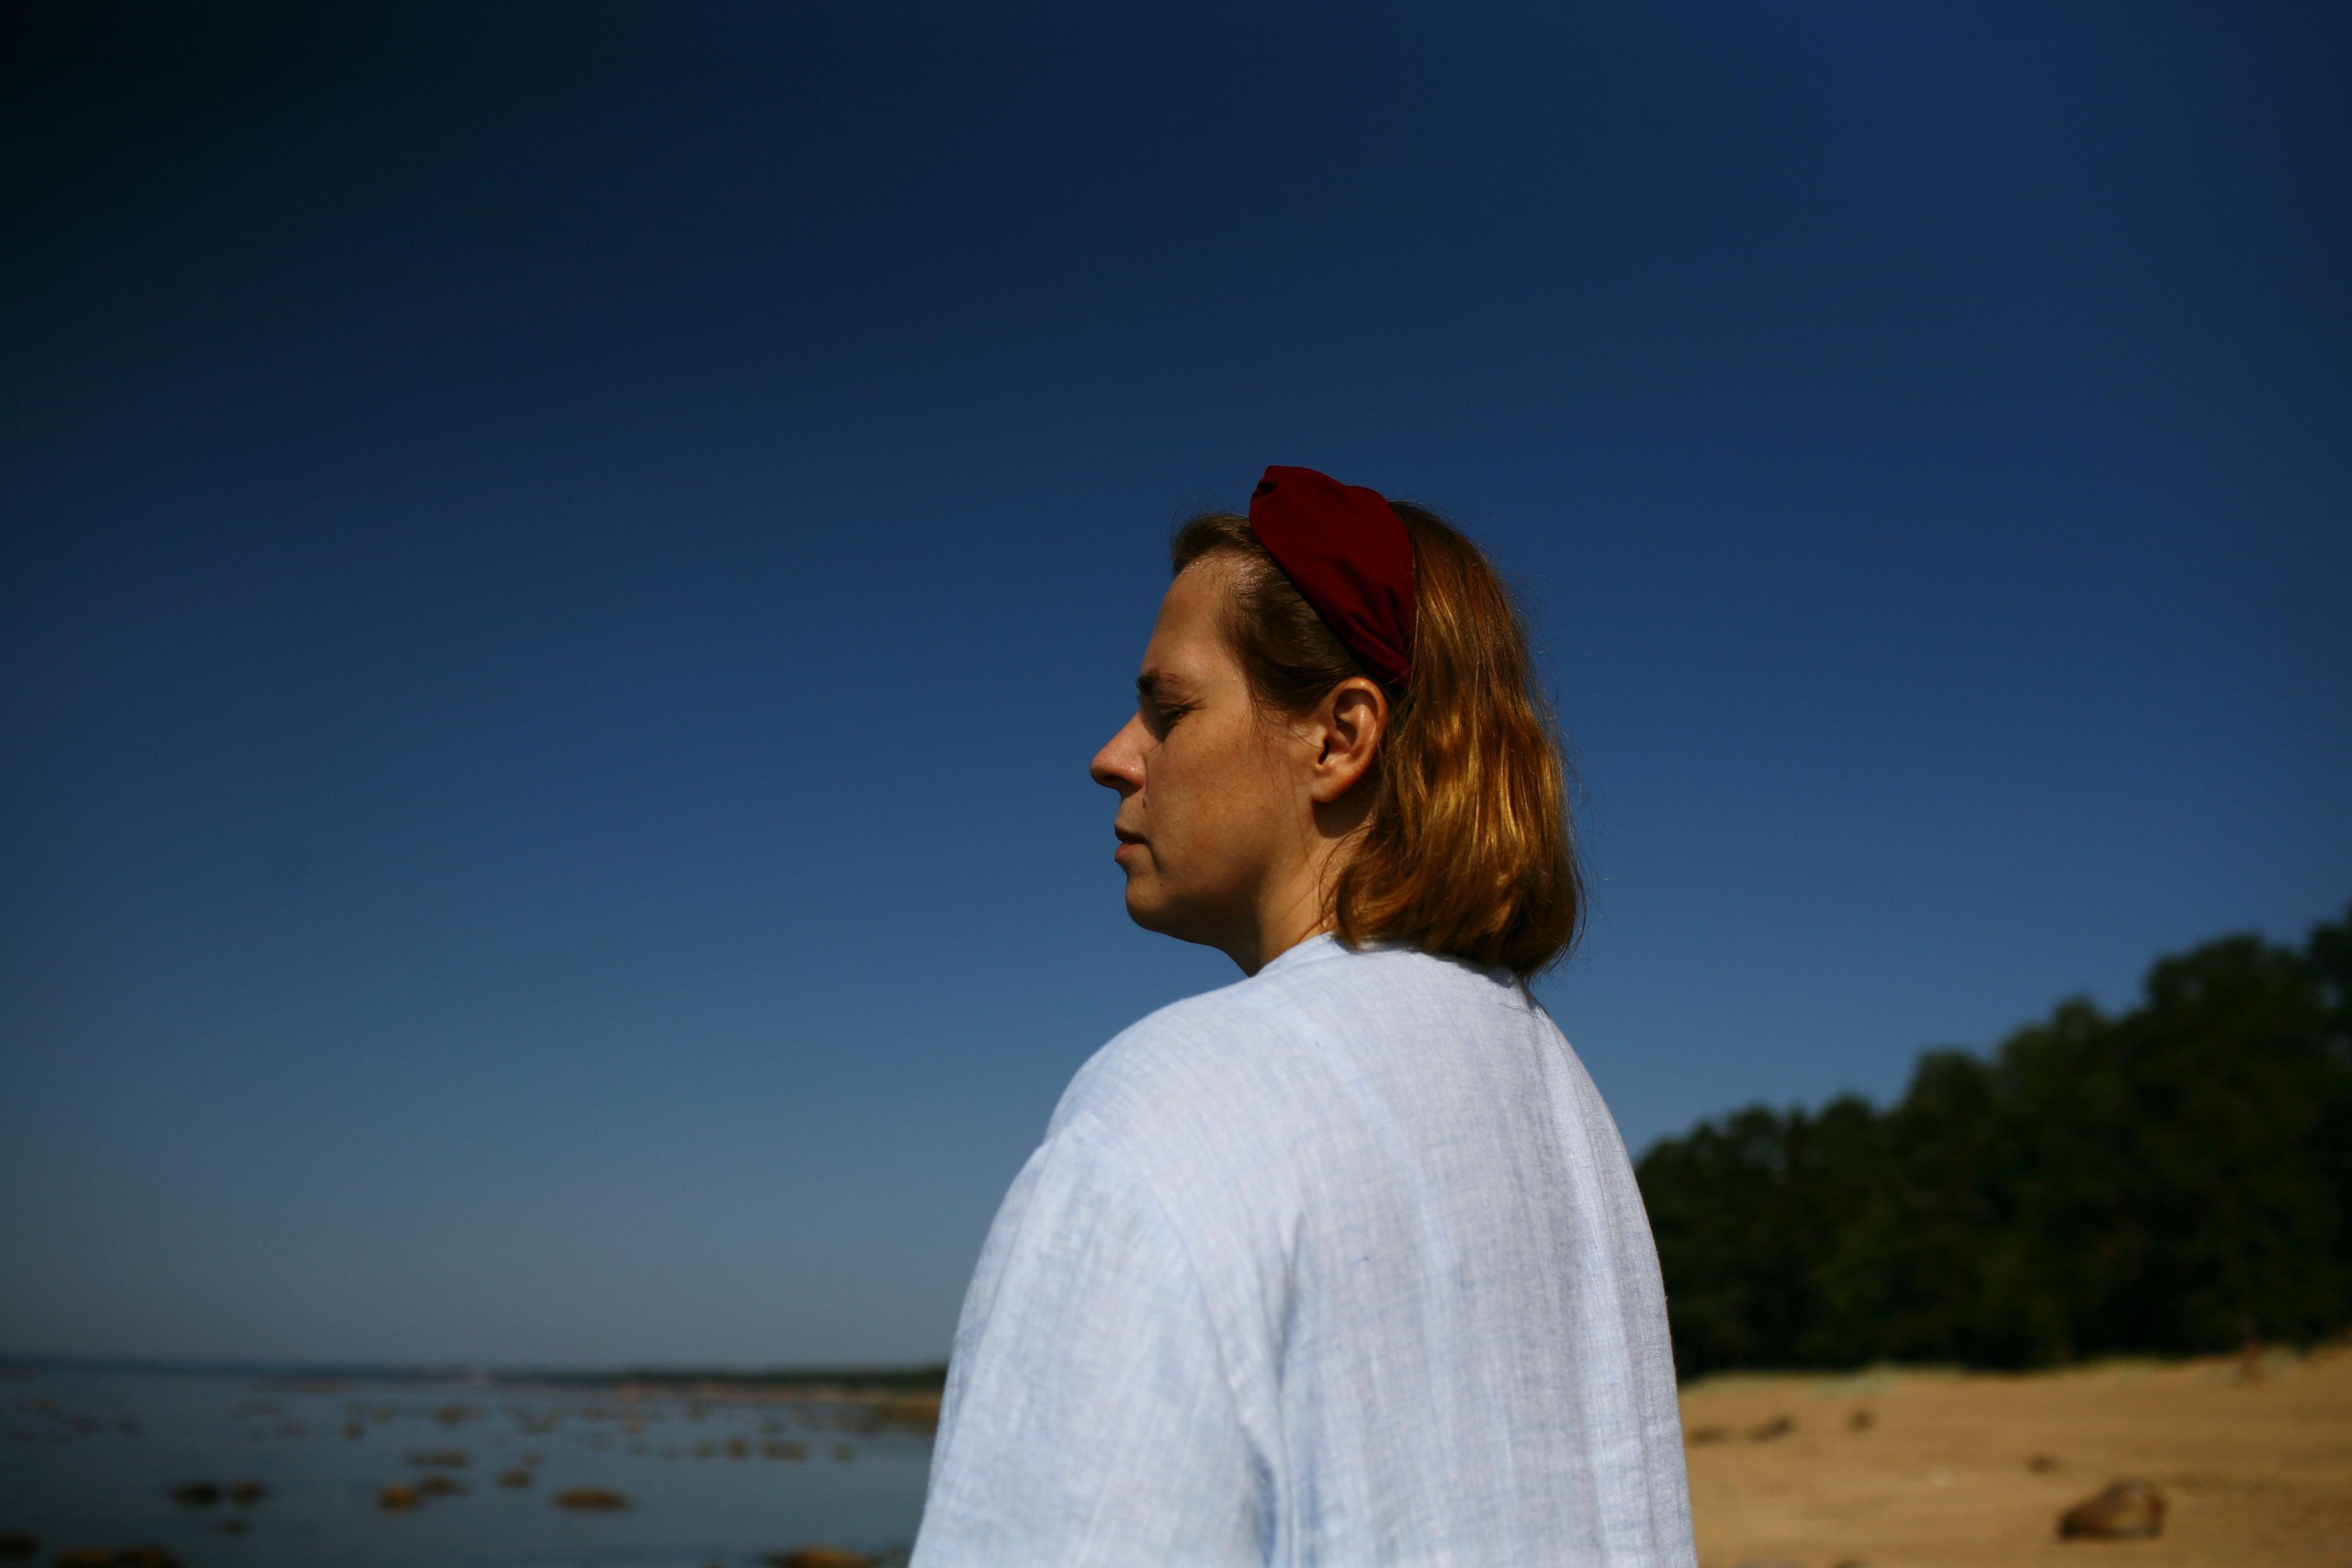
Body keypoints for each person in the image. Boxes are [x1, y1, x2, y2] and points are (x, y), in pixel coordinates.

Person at [910, 467, 1695, 1567]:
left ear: (1338, 737)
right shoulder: (1561, 1111)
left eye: (1167, 708)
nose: (1112, 757)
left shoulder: (1178, 1104)